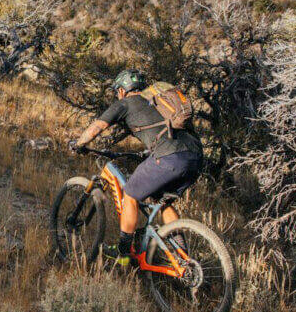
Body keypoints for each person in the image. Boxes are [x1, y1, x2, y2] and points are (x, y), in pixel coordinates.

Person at [70, 69, 202, 266]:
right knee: (162, 201)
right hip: (195, 156)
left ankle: (123, 253)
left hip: (169, 157)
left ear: (122, 91)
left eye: (117, 91)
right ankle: (182, 257)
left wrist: (79, 143)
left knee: (130, 195)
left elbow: (97, 127)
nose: (117, 95)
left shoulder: (124, 104)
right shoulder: (155, 102)